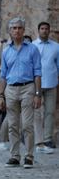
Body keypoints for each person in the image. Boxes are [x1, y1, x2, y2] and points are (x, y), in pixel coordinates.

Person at [0, 17, 42, 168]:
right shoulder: (6, 51)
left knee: (27, 125)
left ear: (24, 30)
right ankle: (14, 156)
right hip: (10, 89)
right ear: (10, 31)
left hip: (27, 88)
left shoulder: (32, 49)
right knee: (12, 125)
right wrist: (1, 95)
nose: (16, 30)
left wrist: (38, 94)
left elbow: (37, 73)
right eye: (14, 28)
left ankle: (29, 156)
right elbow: (3, 75)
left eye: (19, 28)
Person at [33, 22, 59, 152]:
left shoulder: (56, 47)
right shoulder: (32, 45)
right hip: (35, 83)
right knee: (35, 112)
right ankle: (36, 138)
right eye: (42, 29)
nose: (44, 31)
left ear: (49, 31)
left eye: (46, 29)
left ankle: (48, 139)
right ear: (38, 30)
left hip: (51, 83)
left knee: (50, 112)